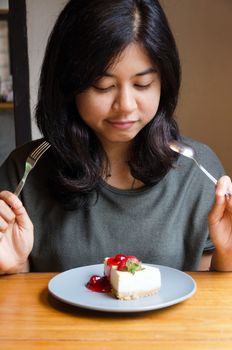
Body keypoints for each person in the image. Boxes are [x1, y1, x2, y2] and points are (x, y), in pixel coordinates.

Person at [0, 0, 232, 274]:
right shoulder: (24, 170)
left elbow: (207, 293)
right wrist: (13, 267)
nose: (126, 105)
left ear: (164, 82)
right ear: (68, 84)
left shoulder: (197, 171)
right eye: (103, 86)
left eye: (142, 84)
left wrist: (228, 256)